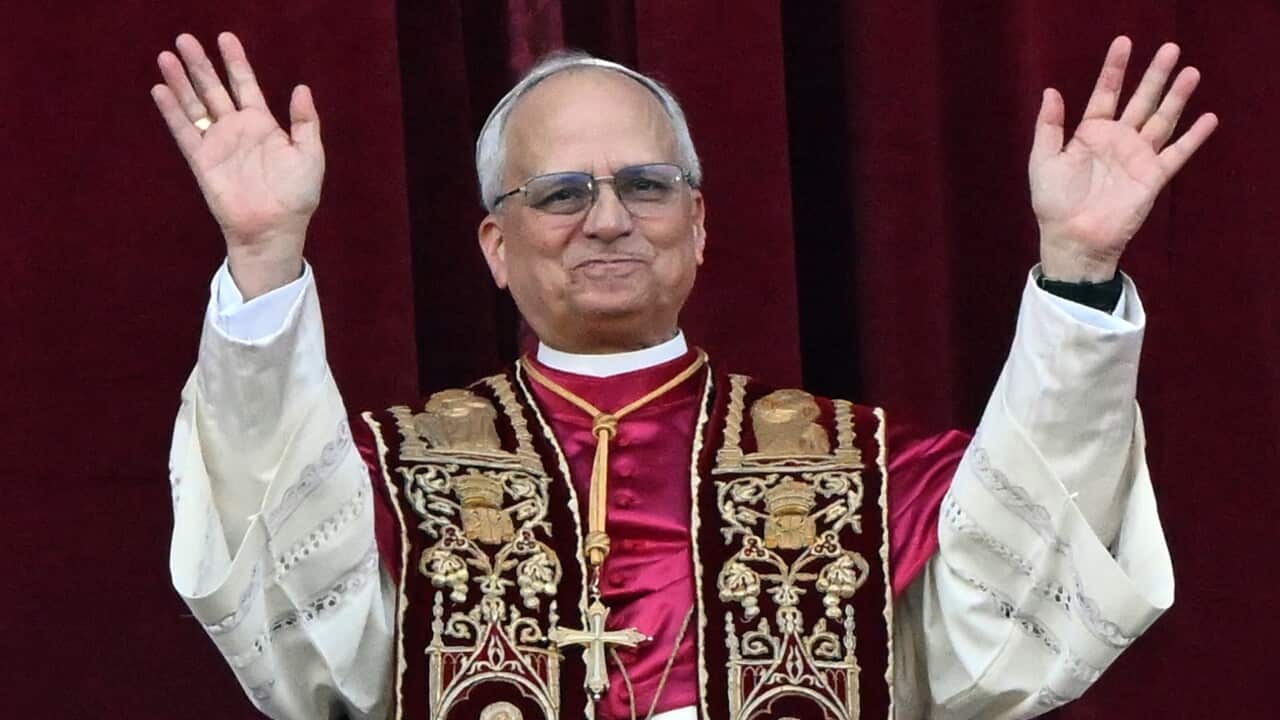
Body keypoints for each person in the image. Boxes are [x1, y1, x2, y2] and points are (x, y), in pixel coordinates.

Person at [153, 30, 1216, 720]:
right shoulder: (393, 476)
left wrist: (1076, 272)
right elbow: (280, 580)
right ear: (493, 244)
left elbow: (1022, 591)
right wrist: (263, 259)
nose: (607, 218)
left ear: (698, 225)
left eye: (645, 184)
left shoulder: (863, 474)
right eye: (560, 190)